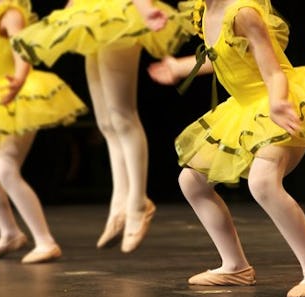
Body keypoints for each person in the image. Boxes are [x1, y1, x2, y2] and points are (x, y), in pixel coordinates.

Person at [143, 0, 305, 297]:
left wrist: (278, 102)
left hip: (279, 103)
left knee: (263, 182)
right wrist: (179, 66)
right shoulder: (203, 11)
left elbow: (274, 72)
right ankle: (235, 266)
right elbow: (222, 57)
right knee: (192, 181)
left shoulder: (243, 14)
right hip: (242, 110)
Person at [11, 0, 192, 253]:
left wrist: (145, 9)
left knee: (123, 116)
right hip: (91, 12)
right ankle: (120, 202)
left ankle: (139, 202)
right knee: (106, 122)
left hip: (119, 12)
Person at [0, 0, 88, 264]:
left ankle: (45, 241)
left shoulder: (10, 12)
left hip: (19, 91)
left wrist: (19, 78)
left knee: (6, 169)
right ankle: (10, 233)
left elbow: (22, 48)